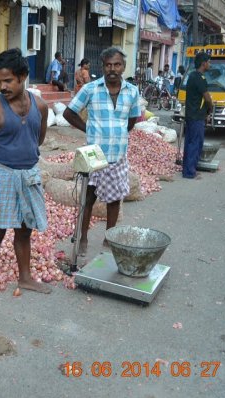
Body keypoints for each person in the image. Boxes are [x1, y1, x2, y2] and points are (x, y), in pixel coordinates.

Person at [0, 48, 51, 312]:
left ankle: (26, 277)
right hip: (3, 176)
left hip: (29, 176)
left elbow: (37, 139)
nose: (3, 86)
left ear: (23, 77)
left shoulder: (39, 106)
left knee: (24, 230)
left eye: (8, 80)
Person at [62, 47, 141, 255]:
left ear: (123, 67)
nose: (112, 69)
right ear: (103, 66)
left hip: (118, 155)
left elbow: (132, 119)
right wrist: (87, 128)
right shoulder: (91, 89)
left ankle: (110, 238)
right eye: (108, 65)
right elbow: (69, 113)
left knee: (114, 200)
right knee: (87, 199)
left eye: (117, 65)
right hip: (94, 155)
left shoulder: (132, 91)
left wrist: (119, 133)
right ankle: (83, 238)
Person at [183, 52, 212, 179]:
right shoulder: (200, 78)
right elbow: (207, 97)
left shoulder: (191, 76)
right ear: (203, 63)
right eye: (209, 62)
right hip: (197, 116)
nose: (209, 64)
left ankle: (187, 170)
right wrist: (210, 108)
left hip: (190, 114)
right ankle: (190, 172)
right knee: (195, 144)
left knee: (189, 143)